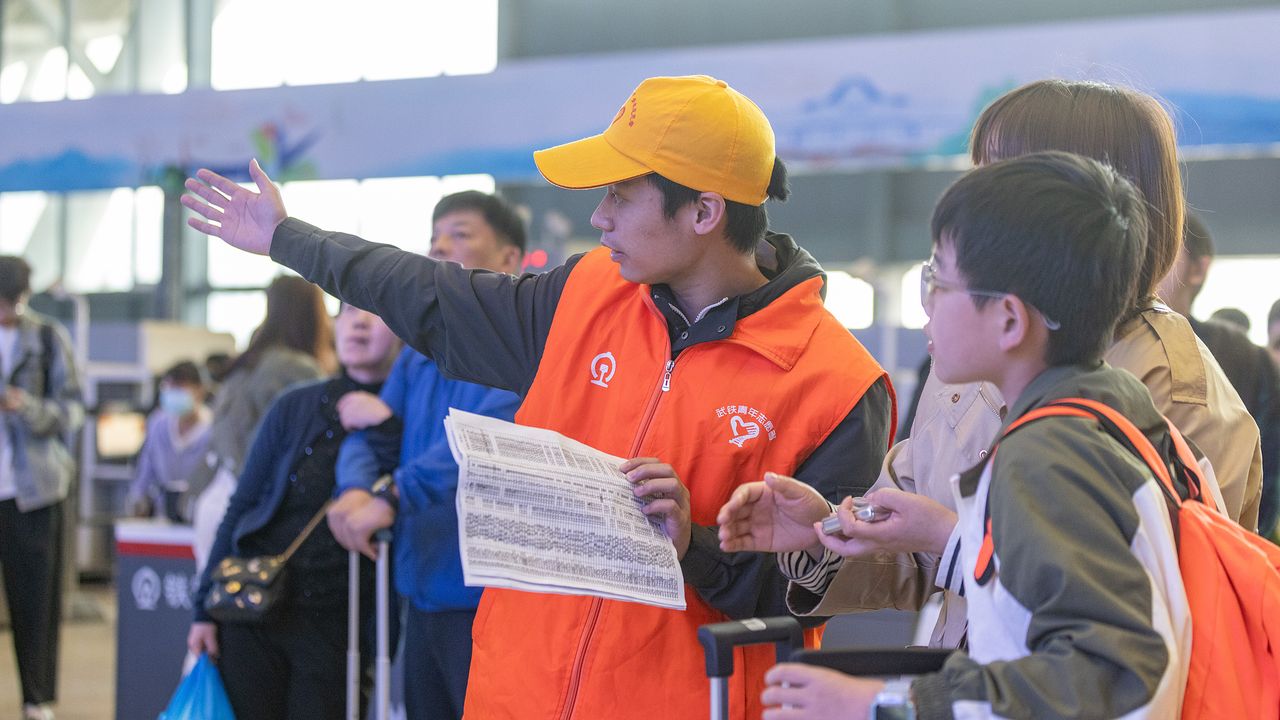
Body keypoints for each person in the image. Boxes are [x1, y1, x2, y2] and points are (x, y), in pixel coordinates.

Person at [182, 74, 895, 720]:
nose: (600, 217)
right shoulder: (584, 296)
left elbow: (815, 593)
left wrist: (695, 544)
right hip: (515, 696)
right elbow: (431, 296)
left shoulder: (836, 383)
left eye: (620, 195)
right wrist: (289, 239)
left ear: (704, 211)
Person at [769, 152, 1191, 718]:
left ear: (1009, 320)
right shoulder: (1114, 412)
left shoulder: (1047, 455)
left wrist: (888, 702)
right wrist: (945, 537)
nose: (927, 305)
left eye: (938, 281)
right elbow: (1041, 593)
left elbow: (1105, 673)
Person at [327, 190, 526, 720]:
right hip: (419, 587)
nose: (438, 248)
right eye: (434, 237)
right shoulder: (420, 351)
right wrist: (354, 488)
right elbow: (372, 432)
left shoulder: (521, 349)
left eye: (459, 235)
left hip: (488, 597)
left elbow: (480, 442)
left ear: (510, 258)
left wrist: (394, 494)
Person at [186, 303, 400, 720]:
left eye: (376, 311)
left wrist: (387, 427)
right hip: (255, 607)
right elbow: (243, 505)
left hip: (341, 623)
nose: (359, 321)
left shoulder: (408, 413)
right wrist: (202, 611)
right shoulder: (295, 405)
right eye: (348, 310)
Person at [191, 275, 336, 568]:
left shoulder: (244, 364)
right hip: (252, 510)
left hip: (213, 501)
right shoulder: (300, 371)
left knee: (216, 593)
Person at [1158, 212, 1280, 536]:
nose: (1151, 260)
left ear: (1198, 268)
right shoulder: (1110, 345)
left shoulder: (1241, 355)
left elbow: (1266, 462)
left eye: (1167, 247)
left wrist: (1245, 539)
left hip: (1228, 539)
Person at [0, 256, 83, 720]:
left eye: (10, 303)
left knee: (35, 601)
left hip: (33, 490)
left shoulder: (48, 339)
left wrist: (26, 407)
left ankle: (37, 699)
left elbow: (73, 410)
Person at [125, 360, 213, 519]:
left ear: (200, 391)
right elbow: (146, 468)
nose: (173, 392)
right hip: (164, 515)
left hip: (202, 514)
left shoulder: (213, 429)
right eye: (169, 387)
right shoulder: (158, 424)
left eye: (179, 387)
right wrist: (138, 499)